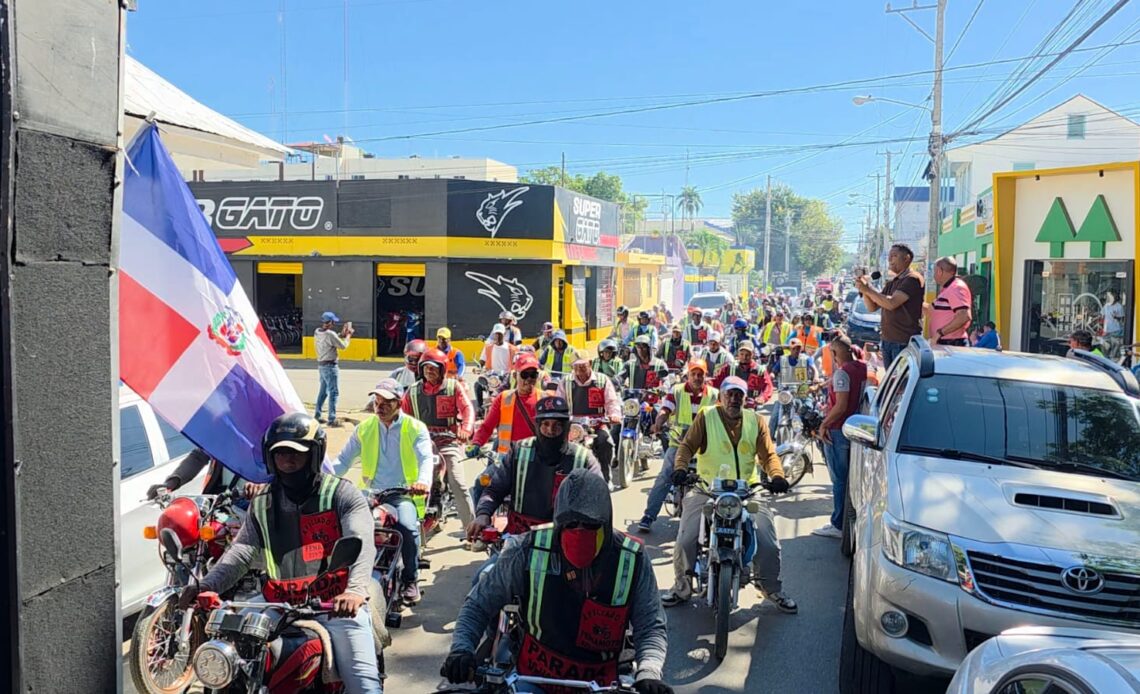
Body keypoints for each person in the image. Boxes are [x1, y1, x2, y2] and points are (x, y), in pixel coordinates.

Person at [183, 412, 382, 693]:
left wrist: (354, 591)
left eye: (296, 454)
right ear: (270, 457)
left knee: (364, 686)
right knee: (235, 667)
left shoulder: (341, 495)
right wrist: (206, 585)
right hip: (276, 603)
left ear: (314, 455)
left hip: (334, 606)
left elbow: (360, 542)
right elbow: (242, 551)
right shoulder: (262, 502)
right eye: (280, 454)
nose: (288, 461)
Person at [442, 469, 671, 694]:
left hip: (601, 684)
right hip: (532, 678)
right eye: (570, 525)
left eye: (590, 526)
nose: (579, 532)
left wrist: (649, 672)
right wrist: (461, 649)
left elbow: (650, 625)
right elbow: (479, 604)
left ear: (606, 523)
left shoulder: (632, 557)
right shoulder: (527, 549)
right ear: (558, 523)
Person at [661, 378, 796, 613]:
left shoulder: (756, 420)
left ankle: (771, 589)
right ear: (720, 396)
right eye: (729, 394)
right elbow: (686, 447)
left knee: (769, 542)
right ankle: (681, 587)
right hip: (707, 489)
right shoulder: (706, 416)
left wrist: (777, 476)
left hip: (748, 491)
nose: (734, 399)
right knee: (685, 539)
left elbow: (768, 455)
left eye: (739, 395)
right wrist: (680, 469)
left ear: (745, 398)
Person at [334, 378, 434, 604]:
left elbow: (426, 458)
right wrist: (322, 478)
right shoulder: (364, 428)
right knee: (343, 526)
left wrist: (422, 481)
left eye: (387, 402)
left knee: (407, 528)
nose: (380, 406)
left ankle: (411, 579)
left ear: (399, 403)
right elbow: (342, 461)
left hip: (402, 494)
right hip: (368, 494)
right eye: (377, 401)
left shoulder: (415, 428)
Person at [467, 396, 604, 538]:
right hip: (519, 538)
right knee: (493, 561)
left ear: (567, 427)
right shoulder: (518, 451)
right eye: (545, 424)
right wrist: (483, 515)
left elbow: (599, 500)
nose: (551, 430)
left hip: (565, 540)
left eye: (557, 425)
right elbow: (494, 490)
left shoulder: (584, 459)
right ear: (537, 426)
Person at [637, 362, 718, 533]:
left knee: (715, 479)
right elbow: (666, 409)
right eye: (693, 374)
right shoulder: (677, 391)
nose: (697, 377)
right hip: (679, 444)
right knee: (666, 476)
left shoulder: (714, 394)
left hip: (704, 446)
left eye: (700, 374)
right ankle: (649, 516)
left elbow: (721, 415)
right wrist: (658, 423)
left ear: (706, 375)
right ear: (687, 375)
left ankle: (718, 516)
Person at [402, 349, 477, 531]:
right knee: (405, 482)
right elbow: (402, 418)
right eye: (426, 367)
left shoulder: (453, 387)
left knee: (458, 483)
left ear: (443, 369)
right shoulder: (412, 392)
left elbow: (467, 409)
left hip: (447, 441)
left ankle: (473, 531)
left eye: (434, 368)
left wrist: (466, 429)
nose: (429, 371)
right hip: (421, 444)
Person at [812, 335, 867, 539]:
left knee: (839, 480)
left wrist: (824, 424)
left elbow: (841, 405)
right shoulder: (862, 367)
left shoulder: (842, 373)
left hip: (838, 430)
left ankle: (838, 524)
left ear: (835, 354)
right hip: (854, 428)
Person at [556, 358, 622, 487]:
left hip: (597, 424)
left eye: (583, 366)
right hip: (573, 427)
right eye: (576, 366)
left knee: (605, 443)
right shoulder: (566, 382)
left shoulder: (602, 380)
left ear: (590, 364)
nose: (580, 369)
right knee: (559, 446)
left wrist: (614, 415)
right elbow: (559, 402)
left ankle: (605, 479)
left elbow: (611, 401)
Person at [856, 243, 925, 365]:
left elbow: (891, 303)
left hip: (903, 342)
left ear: (906, 258)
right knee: (891, 381)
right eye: (889, 256)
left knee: (902, 381)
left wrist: (868, 290)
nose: (889, 259)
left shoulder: (912, 279)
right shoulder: (892, 282)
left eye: (894, 256)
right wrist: (865, 289)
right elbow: (872, 307)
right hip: (887, 340)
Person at [472, 355, 543, 458]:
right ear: (515, 376)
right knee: (485, 475)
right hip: (506, 460)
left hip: (537, 459)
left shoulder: (545, 400)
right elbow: (487, 427)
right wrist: (476, 443)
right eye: (524, 374)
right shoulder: (503, 398)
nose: (529, 379)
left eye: (533, 375)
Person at [146, 447, 258, 500]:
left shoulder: (269, 429)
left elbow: (275, 466)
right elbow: (198, 457)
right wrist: (172, 482)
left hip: (256, 505)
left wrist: (262, 486)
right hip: (219, 500)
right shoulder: (224, 428)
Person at [767, 338, 817, 435]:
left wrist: (816, 377)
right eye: (794, 348)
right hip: (786, 390)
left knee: (808, 407)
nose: (796, 351)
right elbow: (774, 371)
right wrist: (772, 376)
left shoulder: (806, 359)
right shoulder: (783, 360)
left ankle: (809, 432)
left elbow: (814, 369)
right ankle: (769, 436)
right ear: (790, 349)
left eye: (798, 348)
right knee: (775, 413)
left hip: (802, 390)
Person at [315, 310, 353, 427]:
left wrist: (341, 334)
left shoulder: (317, 332)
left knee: (323, 391)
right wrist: (348, 335)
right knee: (333, 393)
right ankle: (332, 419)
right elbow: (343, 346)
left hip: (321, 366)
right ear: (330, 322)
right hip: (330, 367)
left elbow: (333, 338)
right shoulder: (330, 334)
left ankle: (317, 415)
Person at [926, 256, 972, 346]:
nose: (933, 275)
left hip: (952, 343)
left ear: (939, 271)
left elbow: (964, 316)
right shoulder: (947, 288)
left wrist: (939, 334)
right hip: (945, 342)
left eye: (934, 271)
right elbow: (930, 310)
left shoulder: (956, 288)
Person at [711, 341, 772, 405]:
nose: (744, 357)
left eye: (747, 354)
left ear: (753, 354)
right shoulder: (729, 367)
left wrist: (763, 398)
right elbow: (716, 382)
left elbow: (768, 387)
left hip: (751, 407)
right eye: (742, 354)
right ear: (738, 354)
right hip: (731, 405)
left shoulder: (760, 370)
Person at [475, 324, 519, 413]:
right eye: (496, 334)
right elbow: (482, 361)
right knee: (477, 385)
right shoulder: (488, 347)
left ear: (504, 334)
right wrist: (478, 367)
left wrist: (512, 373)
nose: (498, 336)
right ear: (493, 335)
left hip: (506, 377)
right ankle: (480, 408)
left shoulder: (512, 349)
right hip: (491, 376)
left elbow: (516, 363)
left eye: (500, 334)